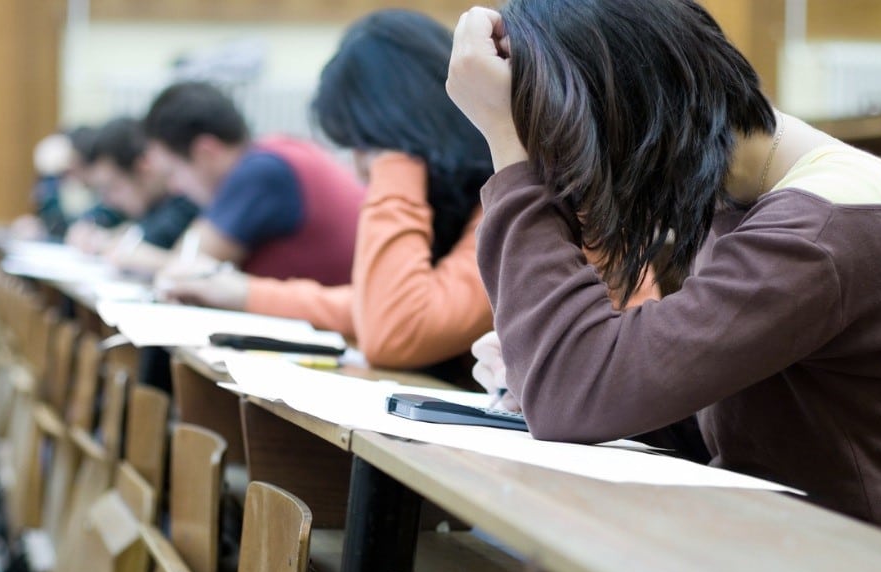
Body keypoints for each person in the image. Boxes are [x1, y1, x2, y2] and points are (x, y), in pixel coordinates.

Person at [446, 1, 881, 548]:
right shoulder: (749, 197)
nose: (568, 182)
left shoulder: (822, 225)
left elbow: (571, 390)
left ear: (627, 112)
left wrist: (506, 141)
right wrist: (551, 370)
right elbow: (751, 423)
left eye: (560, 153)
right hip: (801, 558)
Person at [161, 10, 659, 381]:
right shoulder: (485, 190)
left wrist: (394, 160)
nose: (359, 167)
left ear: (392, 132)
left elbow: (396, 330)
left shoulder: (532, 186)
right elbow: (387, 307)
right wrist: (242, 293)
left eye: (361, 145)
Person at [142, 81, 362, 282]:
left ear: (206, 152)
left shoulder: (259, 172)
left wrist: (130, 257)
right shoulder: (278, 151)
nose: (174, 188)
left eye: (173, 172)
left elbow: (185, 268)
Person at [69, 116, 199, 272]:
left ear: (143, 167)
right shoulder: (146, 201)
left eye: (113, 187)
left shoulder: (185, 201)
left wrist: (108, 242)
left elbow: (142, 244)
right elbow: (103, 216)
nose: (109, 200)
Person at [10, 126, 125, 241]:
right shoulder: (61, 187)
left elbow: (102, 220)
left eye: (66, 172)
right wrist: (42, 229)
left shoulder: (108, 189)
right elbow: (67, 228)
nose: (66, 179)